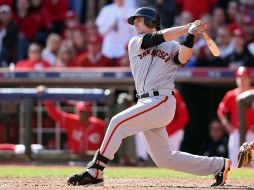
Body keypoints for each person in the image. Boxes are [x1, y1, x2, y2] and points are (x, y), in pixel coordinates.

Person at [68, 7, 231, 187]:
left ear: (152, 22)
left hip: (161, 100)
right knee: (164, 159)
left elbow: (182, 59)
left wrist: (191, 36)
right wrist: (187, 27)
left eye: (139, 20)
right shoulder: (136, 41)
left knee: (117, 122)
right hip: (146, 102)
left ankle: (95, 171)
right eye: (135, 21)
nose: (135, 24)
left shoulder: (171, 46)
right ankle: (218, 165)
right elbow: (157, 38)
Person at [217, 66, 254, 166]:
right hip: (236, 132)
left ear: (249, 79)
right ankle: (237, 182)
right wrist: (226, 124)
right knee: (235, 162)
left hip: (252, 132)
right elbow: (221, 111)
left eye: (244, 77)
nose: (241, 80)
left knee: (252, 163)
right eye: (239, 77)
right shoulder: (231, 94)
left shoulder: (253, 93)